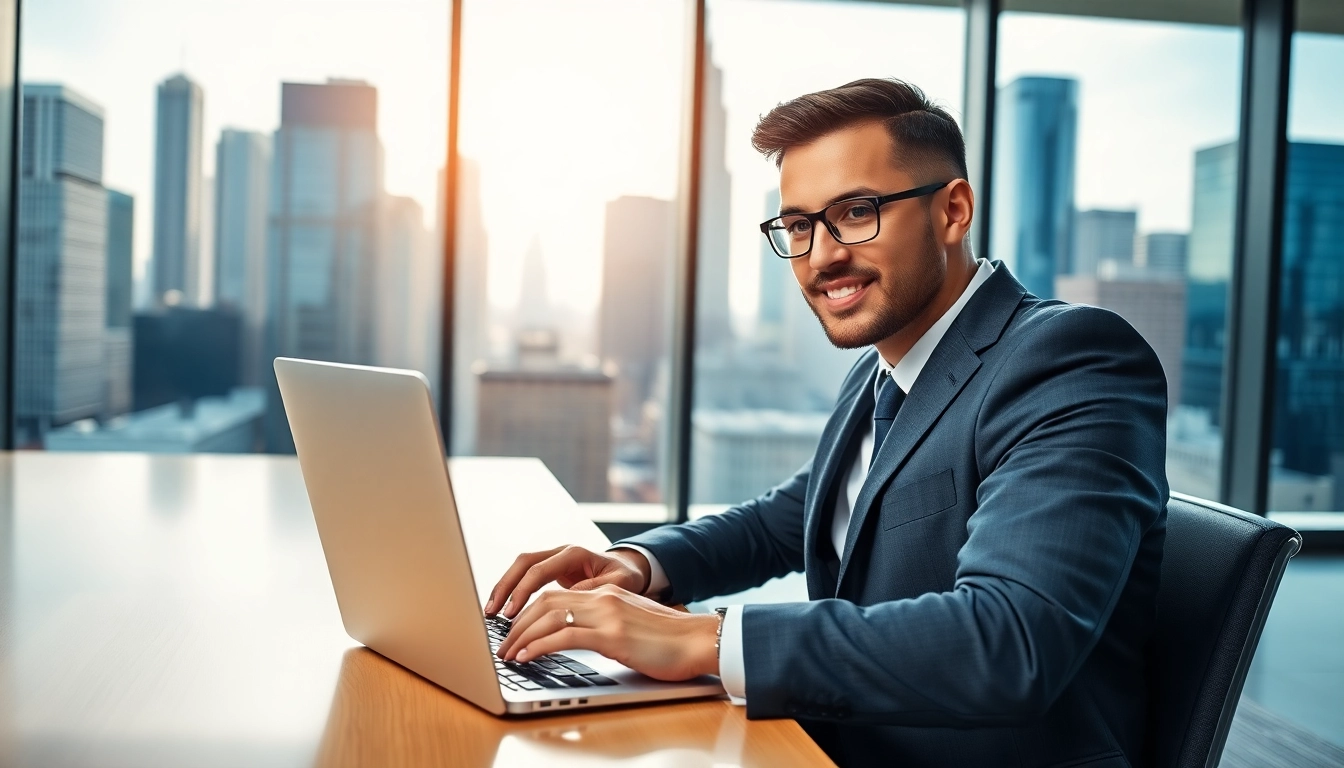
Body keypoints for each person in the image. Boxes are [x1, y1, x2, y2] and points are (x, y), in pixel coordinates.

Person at [486, 78, 1168, 768]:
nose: (821, 255)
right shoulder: (885, 366)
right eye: (799, 225)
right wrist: (640, 565)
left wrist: (706, 641)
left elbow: (1011, 640)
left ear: (953, 210)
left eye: (856, 211)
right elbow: (793, 515)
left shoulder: (1071, 358)